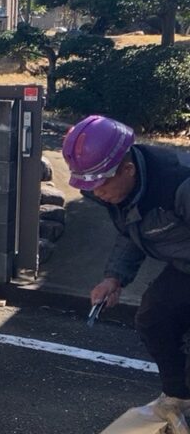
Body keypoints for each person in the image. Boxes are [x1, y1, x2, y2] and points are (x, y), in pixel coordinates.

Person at [62, 115, 190, 431]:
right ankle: (178, 399)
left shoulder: (180, 183)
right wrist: (114, 277)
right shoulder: (114, 189)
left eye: (100, 184)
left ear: (128, 170)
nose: (96, 193)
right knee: (153, 317)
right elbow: (132, 229)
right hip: (184, 263)